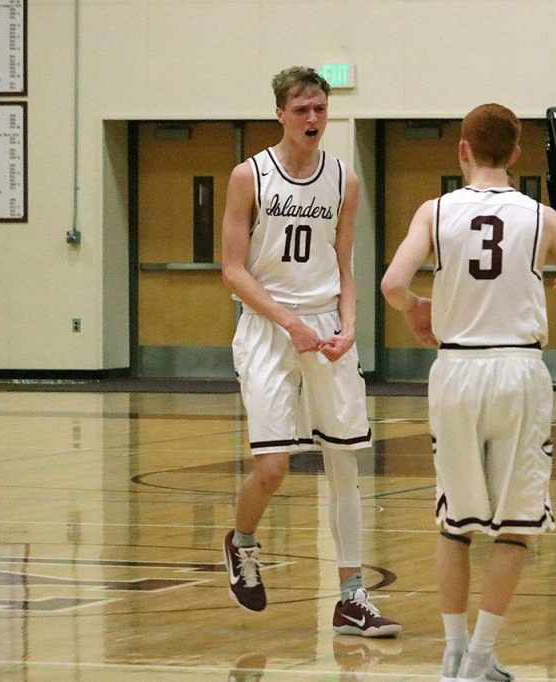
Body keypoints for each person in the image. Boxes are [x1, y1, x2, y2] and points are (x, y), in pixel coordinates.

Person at [380, 103, 556, 681]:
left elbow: (391, 284)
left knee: (453, 524)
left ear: (462, 150)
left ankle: (452, 655)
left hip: (456, 371)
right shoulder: (542, 218)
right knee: (514, 527)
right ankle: (481, 659)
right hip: (517, 374)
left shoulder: (434, 211)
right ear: (515, 155)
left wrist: (416, 308)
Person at [220, 66, 401, 638]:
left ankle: (351, 596)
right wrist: (289, 321)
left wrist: (350, 326)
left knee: (344, 462)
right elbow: (232, 271)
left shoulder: (345, 180)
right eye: (301, 110)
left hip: (325, 328)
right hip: (268, 325)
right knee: (273, 468)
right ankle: (242, 541)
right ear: (280, 113)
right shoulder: (249, 176)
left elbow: (345, 266)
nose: (313, 118)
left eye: (320, 108)